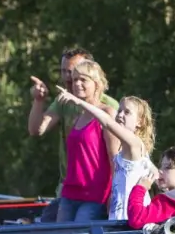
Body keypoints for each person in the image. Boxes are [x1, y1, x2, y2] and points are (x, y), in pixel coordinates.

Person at [37, 60, 119, 222]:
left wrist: (114, 196)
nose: (77, 84)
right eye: (74, 80)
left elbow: (114, 158)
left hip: (94, 195)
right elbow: (37, 129)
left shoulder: (107, 113)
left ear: (96, 84)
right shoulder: (78, 115)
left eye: (83, 79)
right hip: (70, 192)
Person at [55, 88, 157, 221]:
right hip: (120, 213)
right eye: (119, 110)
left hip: (130, 213)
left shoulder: (134, 143)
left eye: (127, 112)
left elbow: (107, 121)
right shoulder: (129, 147)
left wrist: (79, 102)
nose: (120, 115)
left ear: (140, 122)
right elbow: (154, 171)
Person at [27, 48, 119, 138]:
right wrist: (38, 100)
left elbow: (118, 149)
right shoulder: (63, 101)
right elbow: (35, 130)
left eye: (72, 72)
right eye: (64, 71)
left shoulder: (109, 106)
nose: (67, 77)